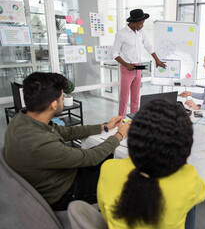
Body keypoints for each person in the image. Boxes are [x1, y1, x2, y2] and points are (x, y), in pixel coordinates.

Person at [3, 72, 130, 211]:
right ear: (53, 104)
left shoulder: (22, 119)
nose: (63, 100)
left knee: (111, 159)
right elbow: (90, 157)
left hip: (55, 176)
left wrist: (104, 126)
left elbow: (67, 132)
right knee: (125, 177)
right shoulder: (40, 143)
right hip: (64, 192)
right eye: (62, 98)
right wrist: (119, 135)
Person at [97, 99, 205, 229]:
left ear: (134, 136)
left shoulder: (108, 169)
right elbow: (200, 195)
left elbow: (105, 214)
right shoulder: (188, 177)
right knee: (189, 207)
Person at [112, 9, 166, 118]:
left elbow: (148, 46)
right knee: (124, 97)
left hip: (138, 67)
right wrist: (126, 64)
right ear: (133, 22)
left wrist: (157, 60)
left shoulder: (141, 32)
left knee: (136, 98)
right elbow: (114, 53)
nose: (142, 25)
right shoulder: (121, 34)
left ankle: (134, 119)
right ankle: (120, 120)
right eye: (141, 23)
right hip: (127, 68)